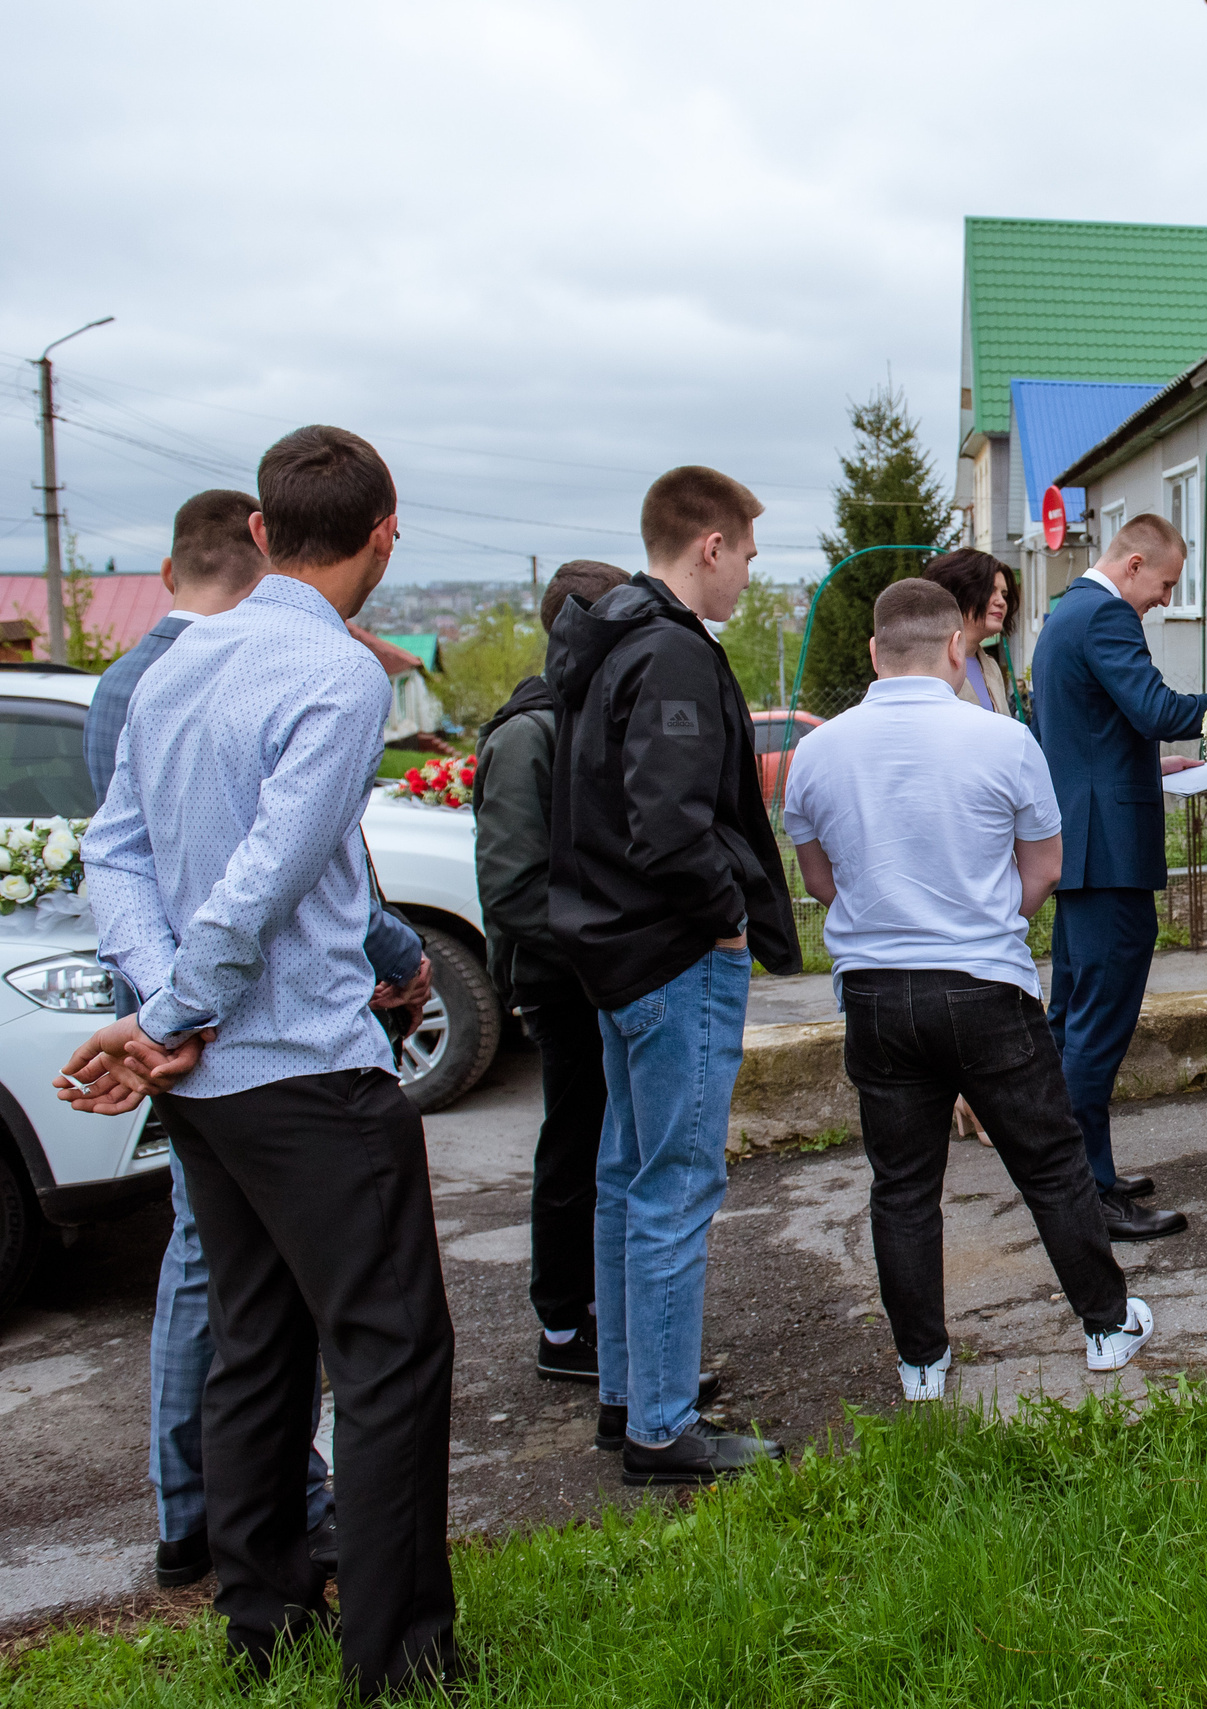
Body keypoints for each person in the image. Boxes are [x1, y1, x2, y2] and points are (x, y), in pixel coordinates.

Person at [61, 427, 460, 1697]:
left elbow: (110, 855)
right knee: (391, 1357)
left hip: (211, 1091)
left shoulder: (172, 665)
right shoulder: (338, 678)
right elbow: (268, 879)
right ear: (382, 536)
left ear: (262, 532)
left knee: (256, 1347)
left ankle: (263, 1618)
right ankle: (398, 1658)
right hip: (303, 1072)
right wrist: (173, 1010)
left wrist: (157, 1010)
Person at [782, 578, 1154, 1397]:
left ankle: (922, 1362)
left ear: (874, 653)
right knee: (1051, 1164)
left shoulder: (818, 751)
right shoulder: (1004, 740)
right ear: (958, 647)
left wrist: (890, 922)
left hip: (876, 994)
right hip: (984, 983)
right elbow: (1046, 867)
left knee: (903, 1184)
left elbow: (819, 882)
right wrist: (985, 921)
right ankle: (1104, 1325)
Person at [547, 465, 801, 1484]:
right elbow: (670, 822)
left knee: (624, 1175)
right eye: (745, 551)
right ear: (709, 544)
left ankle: (627, 1392)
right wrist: (727, 923)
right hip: (672, 955)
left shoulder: (604, 642)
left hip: (609, 950)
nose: (747, 572)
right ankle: (662, 1424)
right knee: (675, 1186)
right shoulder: (676, 655)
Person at [1031, 513, 1207, 1241]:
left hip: (1081, 846)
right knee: (1096, 1030)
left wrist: (1149, 763)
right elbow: (1157, 709)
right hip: (1107, 853)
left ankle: (1085, 1173)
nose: (1165, 600)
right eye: (1165, 584)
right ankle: (1087, 1195)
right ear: (1134, 563)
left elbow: (1091, 734)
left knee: (1075, 1019)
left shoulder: (1064, 615)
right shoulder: (1106, 615)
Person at [474, 559, 630, 1389]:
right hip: (563, 979)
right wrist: (610, 941)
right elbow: (509, 887)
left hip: (597, 972)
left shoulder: (583, 718)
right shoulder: (528, 734)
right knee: (575, 1152)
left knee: (606, 1151)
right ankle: (565, 1327)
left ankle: (605, 1320)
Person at [921, 547, 1021, 718]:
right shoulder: (925, 666)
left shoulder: (992, 668)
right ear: (959, 592)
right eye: (990, 590)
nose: (1001, 602)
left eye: (1004, 594)